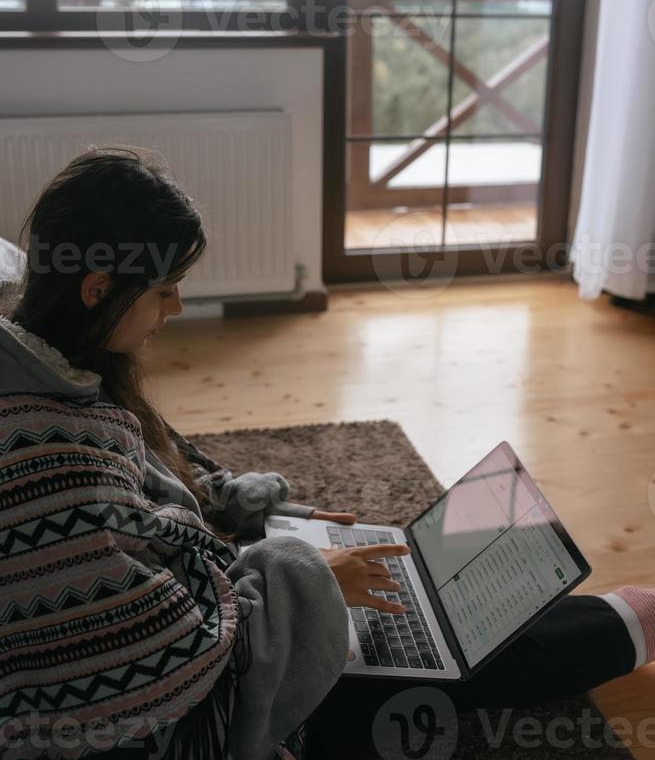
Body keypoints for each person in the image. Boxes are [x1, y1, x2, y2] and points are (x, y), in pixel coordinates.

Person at [0, 147, 652, 760]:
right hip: (191, 727)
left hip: (207, 609)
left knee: (414, 611)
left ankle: (582, 614)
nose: (176, 306)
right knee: (430, 668)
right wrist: (304, 578)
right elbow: (156, 671)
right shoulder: (60, 477)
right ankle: (630, 619)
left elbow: (158, 486)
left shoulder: (47, 375)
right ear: (95, 288)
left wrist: (263, 517)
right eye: (164, 289)